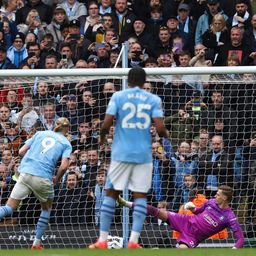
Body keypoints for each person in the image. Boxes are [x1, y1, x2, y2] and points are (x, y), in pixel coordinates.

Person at [89, 67, 169, 249]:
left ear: (128, 80)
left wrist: (102, 139)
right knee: (140, 196)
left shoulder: (118, 97)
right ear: (144, 81)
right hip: (143, 154)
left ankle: (102, 240)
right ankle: (133, 241)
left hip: (121, 153)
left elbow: (106, 124)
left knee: (111, 193)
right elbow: (160, 127)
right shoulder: (153, 99)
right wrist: (166, 134)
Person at [0, 117, 72, 250]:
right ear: (67, 129)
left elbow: (21, 151)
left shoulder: (40, 133)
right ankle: (36, 244)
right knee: (46, 209)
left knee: (9, 207)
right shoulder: (66, 143)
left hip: (25, 173)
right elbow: (64, 166)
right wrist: (57, 178)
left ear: (55, 125)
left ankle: (37, 244)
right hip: (43, 177)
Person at [118, 185, 244, 248]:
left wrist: (233, 250)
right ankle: (125, 203)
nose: (215, 196)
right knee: (157, 211)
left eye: (218, 194)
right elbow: (197, 211)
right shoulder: (210, 202)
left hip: (193, 236)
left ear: (225, 198)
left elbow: (240, 239)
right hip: (186, 221)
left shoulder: (230, 217)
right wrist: (192, 208)